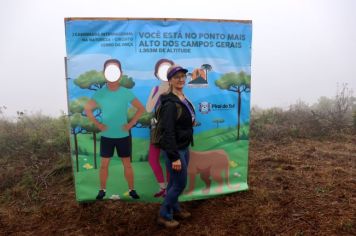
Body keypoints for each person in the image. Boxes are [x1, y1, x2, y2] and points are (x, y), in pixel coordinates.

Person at [85, 59, 144, 200]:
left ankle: (132, 190)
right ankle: (102, 190)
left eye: (115, 70)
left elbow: (141, 108)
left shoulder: (126, 92)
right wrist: (98, 125)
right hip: (107, 136)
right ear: (104, 74)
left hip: (123, 136)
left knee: (127, 165)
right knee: (104, 166)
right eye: (109, 70)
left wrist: (130, 125)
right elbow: (87, 109)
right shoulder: (100, 93)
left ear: (121, 73)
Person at [157, 64, 196, 228]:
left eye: (183, 76)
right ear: (170, 80)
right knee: (179, 184)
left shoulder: (181, 97)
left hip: (183, 146)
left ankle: (175, 208)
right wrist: (174, 157)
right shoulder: (170, 104)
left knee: (174, 183)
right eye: (176, 77)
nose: (181, 79)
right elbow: (168, 132)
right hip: (175, 150)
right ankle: (164, 215)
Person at [146, 59, 174, 198]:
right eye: (161, 70)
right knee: (152, 158)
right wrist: (159, 93)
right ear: (157, 73)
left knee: (169, 159)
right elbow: (149, 108)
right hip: (156, 129)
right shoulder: (155, 89)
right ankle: (163, 186)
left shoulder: (176, 89)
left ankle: (169, 188)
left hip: (171, 130)